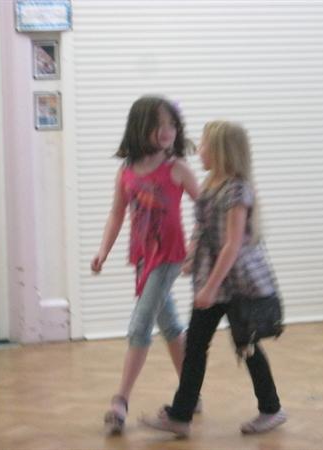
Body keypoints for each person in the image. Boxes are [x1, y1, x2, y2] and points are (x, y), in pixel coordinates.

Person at [140, 120, 287, 438]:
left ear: (221, 150)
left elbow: (232, 245)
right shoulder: (210, 184)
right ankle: (180, 415)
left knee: (246, 345)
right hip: (213, 279)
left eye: (204, 144)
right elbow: (202, 226)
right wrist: (191, 258)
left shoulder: (237, 189)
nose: (199, 150)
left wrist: (209, 288)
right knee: (195, 346)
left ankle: (272, 408)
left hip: (237, 285)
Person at [91, 96, 199, 433]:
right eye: (159, 125)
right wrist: (103, 251)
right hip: (143, 258)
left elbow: (206, 209)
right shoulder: (126, 171)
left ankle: (120, 401)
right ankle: (191, 393)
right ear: (141, 127)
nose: (167, 131)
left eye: (172, 125)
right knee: (170, 325)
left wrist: (195, 249)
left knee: (140, 327)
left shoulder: (177, 168)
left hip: (169, 258)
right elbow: (116, 214)